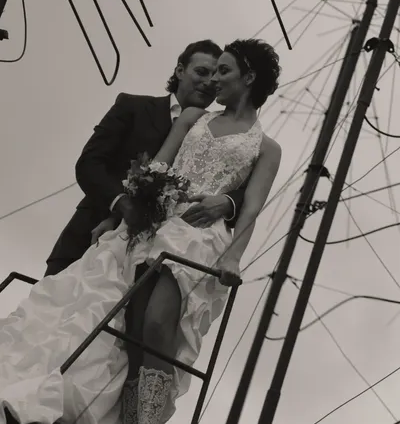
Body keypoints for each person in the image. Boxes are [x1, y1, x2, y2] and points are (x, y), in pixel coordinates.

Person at [0, 39, 284, 424]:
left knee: (156, 324)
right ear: (180, 71)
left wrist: (233, 248)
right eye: (206, 71)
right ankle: (45, 394)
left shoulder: (266, 147)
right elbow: (141, 168)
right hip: (140, 227)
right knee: (95, 322)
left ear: (248, 77)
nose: (213, 81)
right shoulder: (180, 116)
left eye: (223, 72)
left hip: (196, 236)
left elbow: (250, 202)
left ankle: (144, 417)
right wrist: (124, 210)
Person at [45, 40, 248, 277]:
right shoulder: (133, 107)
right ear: (180, 70)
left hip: (159, 258)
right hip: (90, 236)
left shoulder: (221, 135)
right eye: (201, 72)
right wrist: (122, 205)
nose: (208, 82)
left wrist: (228, 202)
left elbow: (244, 183)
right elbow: (90, 164)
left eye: (215, 76)